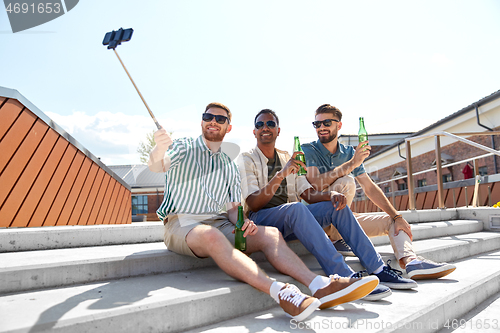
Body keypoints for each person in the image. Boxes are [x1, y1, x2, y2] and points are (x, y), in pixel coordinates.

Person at [148, 102, 379, 322]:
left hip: (221, 221)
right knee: (212, 235)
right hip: (183, 222)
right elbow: (157, 165)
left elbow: (232, 208)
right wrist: (158, 149)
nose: (213, 121)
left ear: (228, 127)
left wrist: (242, 221)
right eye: (208, 117)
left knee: (271, 235)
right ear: (202, 122)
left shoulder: (229, 164)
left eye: (220, 119)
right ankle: (280, 291)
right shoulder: (184, 146)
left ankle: (321, 284)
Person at [238, 109, 417, 302]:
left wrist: (330, 195)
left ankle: (378, 268)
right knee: (296, 208)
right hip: (261, 220)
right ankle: (344, 276)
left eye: (270, 124)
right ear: (254, 131)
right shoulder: (247, 159)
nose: (265, 128)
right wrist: (281, 174)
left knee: (334, 206)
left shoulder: (287, 157)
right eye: (260, 125)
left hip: (291, 220)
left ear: (278, 130)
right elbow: (253, 203)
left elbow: (307, 193)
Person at [301, 104, 456, 280]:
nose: (321, 127)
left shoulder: (349, 152)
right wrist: (352, 164)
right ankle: (335, 237)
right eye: (317, 124)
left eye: (326, 122)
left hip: (343, 219)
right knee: (347, 181)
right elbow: (316, 184)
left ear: (339, 125)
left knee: (393, 221)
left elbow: (369, 187)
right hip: (318, 222)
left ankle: (411, 262)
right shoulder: (308, 150)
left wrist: (397, 216)